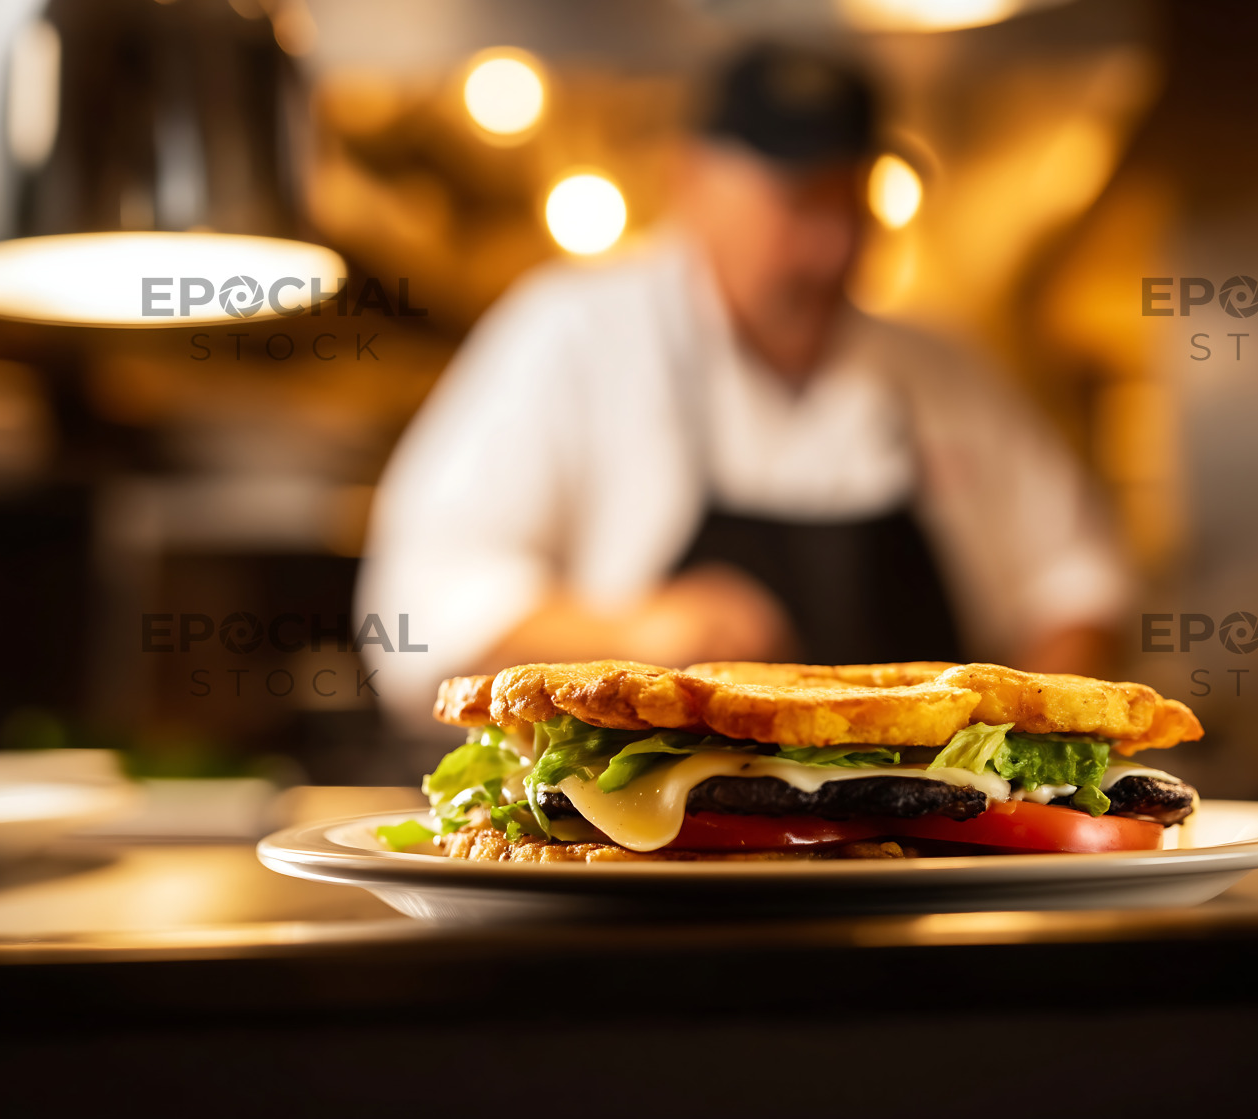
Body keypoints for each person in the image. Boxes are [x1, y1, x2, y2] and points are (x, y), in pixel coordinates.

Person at [358, 43, 1127, 734]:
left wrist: (1034, 732)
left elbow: (1076, 582)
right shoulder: (569, 333)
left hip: (926, 847)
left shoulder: (944, 371)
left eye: (851, 203)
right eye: (797, 202)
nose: (832, 248)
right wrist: (637, 632)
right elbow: (411, 615)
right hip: (655, 850)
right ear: (689, 182)